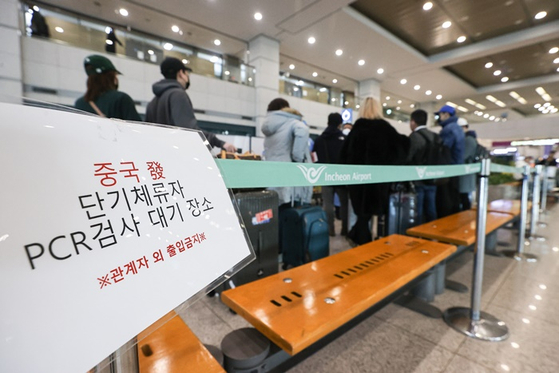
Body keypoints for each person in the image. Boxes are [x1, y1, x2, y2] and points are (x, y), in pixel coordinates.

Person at [340, 97, 410, 245]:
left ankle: (360, 241)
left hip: (357, 182)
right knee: (375, 217)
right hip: (379, 183)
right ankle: (368, 241)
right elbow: (401, 150)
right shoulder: (385, 128)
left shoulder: (356, 129)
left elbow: (343, 157)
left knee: (362, 215)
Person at [146, 57, 235, 152]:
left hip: (159, 158)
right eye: (187, 73)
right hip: (176, 157)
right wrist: (220, 143)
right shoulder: (178, 95)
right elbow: (190, 131)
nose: (188, 77)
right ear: (181, 73)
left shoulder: (153, 102)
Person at [261, 98, 312, 209]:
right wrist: (297, 158)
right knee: (290, 214)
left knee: (275, 211)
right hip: (290, 177)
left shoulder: (269, 127)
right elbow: (303, 130)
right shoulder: (293, 123)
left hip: (271, 175)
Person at [312, 112, 349, 236]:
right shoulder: (344, 139)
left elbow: (314, 157)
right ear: (340, 124)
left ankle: (330, 230)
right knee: (344, 204)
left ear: (328, 122)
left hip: (325, 175)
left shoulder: (319, 139)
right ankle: (345, 229)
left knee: (327, 204)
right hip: (342, 176)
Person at [75, 55, 141, 121]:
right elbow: (138, 127)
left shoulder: (79, 103)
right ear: (110, 76)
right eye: (115, 75)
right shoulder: (121, 99)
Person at [406, 109, 438, 223]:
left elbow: (408, 157)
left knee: (417, 211)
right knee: (431, 210)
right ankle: (431, 234)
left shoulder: (414, 137)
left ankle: (417, 236)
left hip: (418, 179)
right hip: (432, 178)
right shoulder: (434, 136)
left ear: (413, 122)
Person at [435, 104, 464, 217]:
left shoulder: (448, 129)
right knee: (454, 198)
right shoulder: (457, 128)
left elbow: (444, 150)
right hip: (456, 169)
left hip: (448, 170)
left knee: (445, 201)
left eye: (440, 115)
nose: (439, 117)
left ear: (446, 115)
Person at [458, 118, 477, 210]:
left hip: (466, 174)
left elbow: (463, 156)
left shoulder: (468, 140)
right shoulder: (468, 139)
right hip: (466, 174)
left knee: (465, 198)